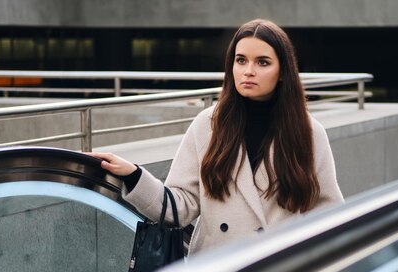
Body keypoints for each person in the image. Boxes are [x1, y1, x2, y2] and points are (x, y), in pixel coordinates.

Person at [89, 19, 343, 257]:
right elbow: (181, 206)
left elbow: (327, 214)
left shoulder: (308, 132)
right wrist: (134, 175)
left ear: (283, 72)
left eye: (262, 62)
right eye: (241, 60)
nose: (248, 71)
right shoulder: (208, 125)